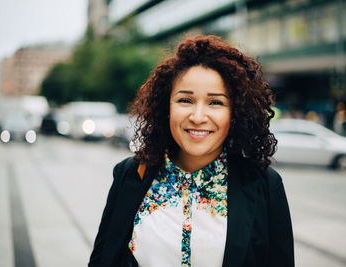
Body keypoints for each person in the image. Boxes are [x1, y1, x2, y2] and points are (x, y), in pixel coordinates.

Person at [89, 35, 294, 267]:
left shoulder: (264, 186)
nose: (197, 117)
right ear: (166, 107)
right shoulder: (131, 174)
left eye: (215, 102)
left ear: (236, 112)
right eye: (185, 100)